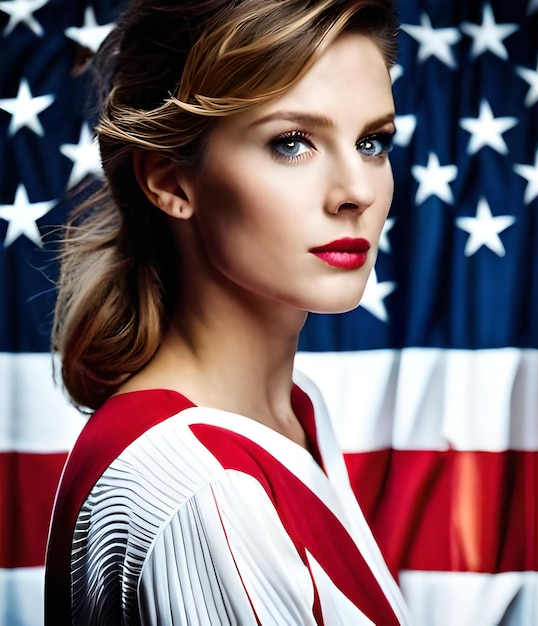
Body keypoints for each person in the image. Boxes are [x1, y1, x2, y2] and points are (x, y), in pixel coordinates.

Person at [45, 0, 409, 623]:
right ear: (171, 182)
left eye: (371, 141)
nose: (357, 191)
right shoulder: (204, 486)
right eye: (292, 143)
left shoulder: (297, 410)